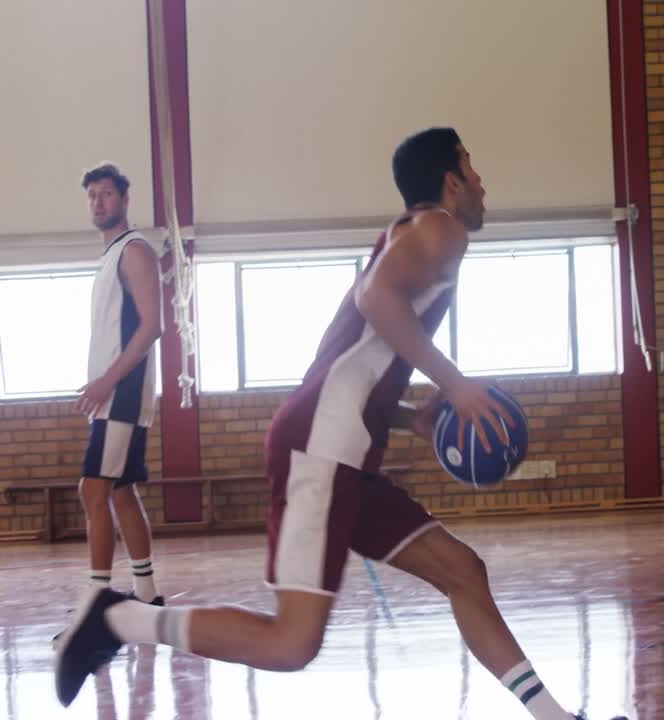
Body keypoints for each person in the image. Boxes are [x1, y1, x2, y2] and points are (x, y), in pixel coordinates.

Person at [54, 129, 622, 720]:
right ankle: (118, 619)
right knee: (291, 642)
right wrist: (455, 384)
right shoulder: (440, 229)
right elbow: (377, 301)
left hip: (340, 444)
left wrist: (410, 419)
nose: (481, 183)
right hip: (322, 449)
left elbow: (346, 367)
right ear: (451, 182)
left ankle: (557, 718)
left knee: (462, 571)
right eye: (472, 169)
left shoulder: (411, 239)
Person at [59, 163, 164, 639]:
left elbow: (151, 326)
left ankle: (96, 606)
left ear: (124, 200)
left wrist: (105, 382)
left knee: (93, 488)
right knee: (120, 490)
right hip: (112, 394)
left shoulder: (135, 250)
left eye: (107, 194)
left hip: (121, 392)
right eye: (92, 195)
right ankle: (147, 594)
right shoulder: (110, 255)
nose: (99, 202)